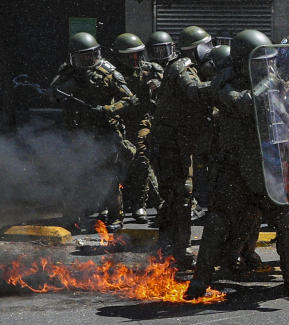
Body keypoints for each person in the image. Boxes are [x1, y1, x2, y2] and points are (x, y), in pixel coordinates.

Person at [186, 29, 289, 299]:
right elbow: (243, 105)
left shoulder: (267, 79)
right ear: (242, 62)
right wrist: (268, 84)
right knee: (218, 221)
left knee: (285, 220)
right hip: (235, 167)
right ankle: (199, 281)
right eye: (260, 61)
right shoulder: (224, 83)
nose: (267, 67)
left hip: (266, 163)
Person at [48, 32, 138, 232]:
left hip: (105, 132)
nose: (87, 59)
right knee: (76, 176)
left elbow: (131, 100)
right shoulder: (68, 72)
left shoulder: (109, 72)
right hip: (78, 134)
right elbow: (52, 95)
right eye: (82, 56)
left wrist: (107, 109)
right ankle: (74, 217)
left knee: (109, 177)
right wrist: (65, 89)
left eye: (91, 55)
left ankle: (115, 218)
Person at [152, 26, 216, 268]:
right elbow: (193, 91)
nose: (208, 51)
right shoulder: (183, 66)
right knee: (180, 195)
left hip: (179, 141)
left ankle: (169, 246)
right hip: (171, 144)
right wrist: (218, 85)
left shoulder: (190, 66)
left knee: (176, 195)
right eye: (205, 46)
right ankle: (178, 247)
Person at [110, 32, 163, 223]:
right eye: (129, 56)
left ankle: (141, 204)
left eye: (137, 54)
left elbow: (169, 87)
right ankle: (112, 209)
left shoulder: (151, 69)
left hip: (143, 121)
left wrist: (157, 85)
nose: (134, 59)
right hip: (120, 124)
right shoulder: (112, 73)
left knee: (142, 159)